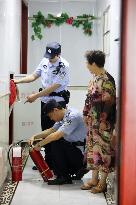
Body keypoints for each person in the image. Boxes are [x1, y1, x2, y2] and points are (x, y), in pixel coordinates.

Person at [14, 42, 70, 169]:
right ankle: (48, 161)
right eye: (48, 56)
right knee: (45, 129)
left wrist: (35, 96)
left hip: (57, 102)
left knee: (55, 131)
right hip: (45, 101)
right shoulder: (45, 60)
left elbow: (53, 87)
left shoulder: (64, 66)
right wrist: (18, 81)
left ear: (58, 54)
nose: (50, 59)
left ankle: (57, 163)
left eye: (52, 57)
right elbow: (34, 76)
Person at [81, 50, 116, 193]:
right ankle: (94, 178)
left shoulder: (107, 79)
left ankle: (102, 183)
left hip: (103, 123)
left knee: (104, 151)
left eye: (87, 63)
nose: (86, 66)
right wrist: (85, 113)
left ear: (93, 63)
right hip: (92, 121)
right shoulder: (95, 77)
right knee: (93, 150)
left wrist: (103, 120)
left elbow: (110, 103)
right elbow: (88, 97)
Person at [29, 99, 87, 185]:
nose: (51, 119)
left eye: (51, 116)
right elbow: (51, 130)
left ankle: (64, 176)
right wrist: (35, 136)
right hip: (74, 151)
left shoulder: (73, 116)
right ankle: (74, 170)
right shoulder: (63, 115)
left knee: (56, 142)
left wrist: (39, 144)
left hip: (81, 155)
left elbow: (56, 135)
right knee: (56, 142)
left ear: (55, 110)